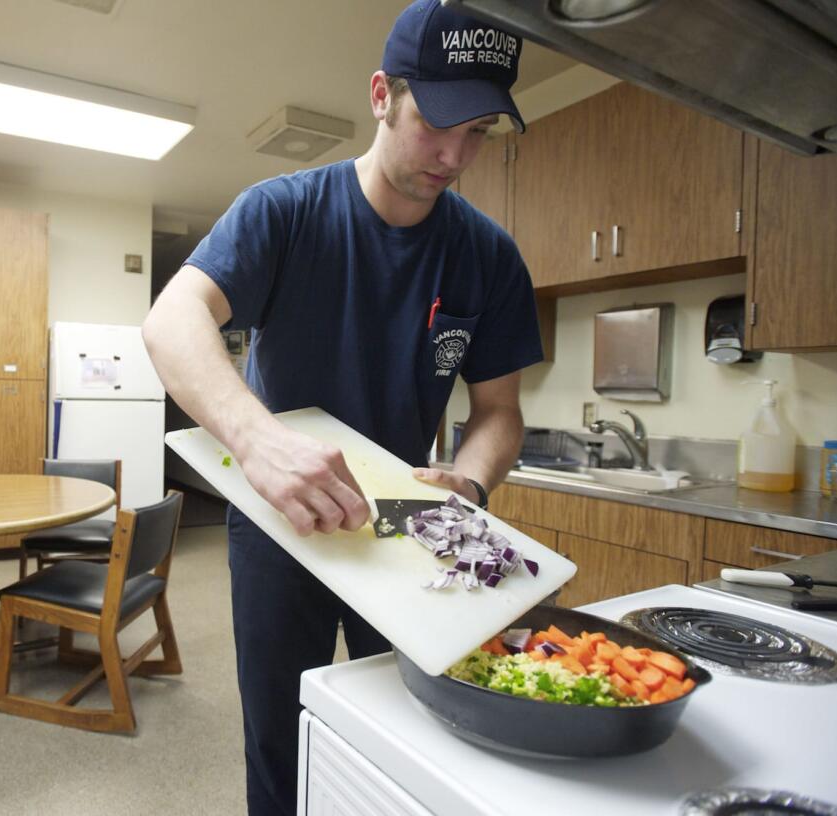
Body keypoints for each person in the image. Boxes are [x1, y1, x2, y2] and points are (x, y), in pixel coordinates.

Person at [141, 2, 541, 813]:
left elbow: (499, 411)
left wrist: (466, 484)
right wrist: (258, 443)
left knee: (409, 735)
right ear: (381, 96)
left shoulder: (489, 256)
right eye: (438, 123)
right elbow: (170, 322)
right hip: (278, 519)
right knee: (281, 742)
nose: (455, 155)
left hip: (407, 532)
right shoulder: (283, 211)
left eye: (481, 133)